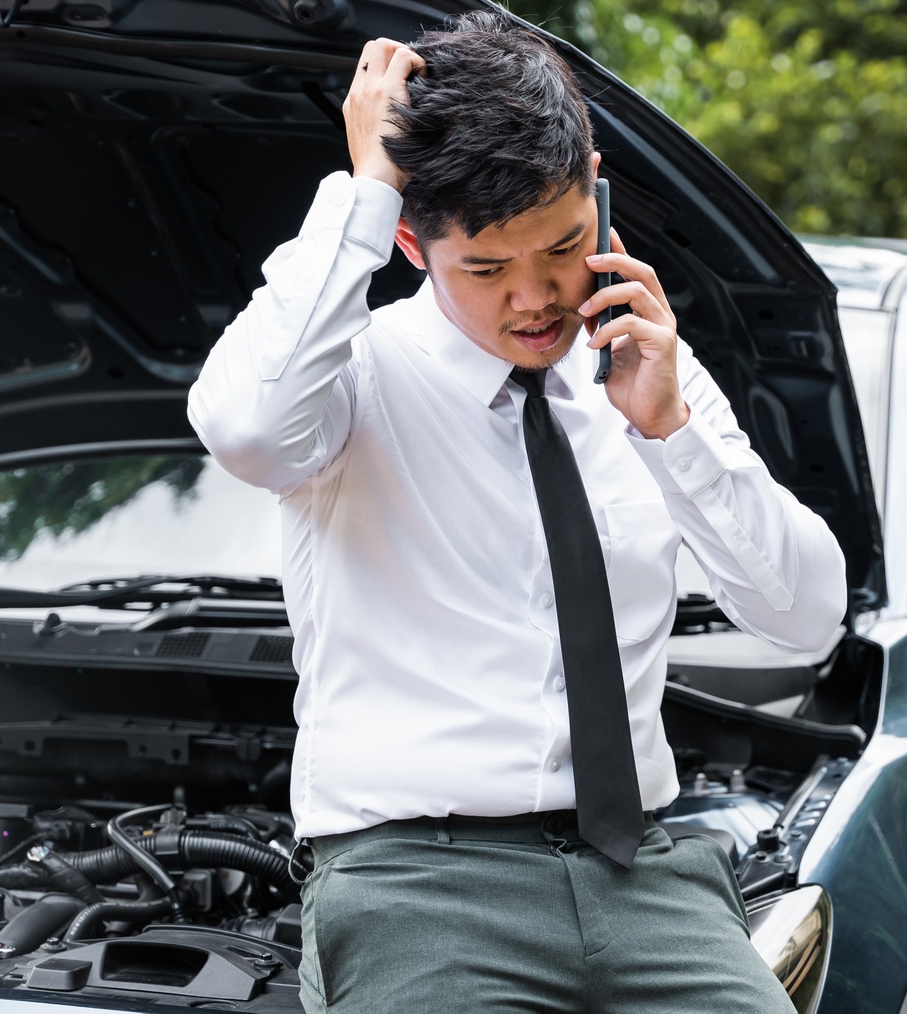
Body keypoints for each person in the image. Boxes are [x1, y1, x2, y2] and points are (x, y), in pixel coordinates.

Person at [187, 11, 846, 1012]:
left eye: (564, 246)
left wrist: (671, 434)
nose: (537, 300)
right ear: (410, 239)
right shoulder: (346, 381)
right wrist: (363, 187)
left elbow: (805, 616)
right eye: (487, 269)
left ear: (594, 180)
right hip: (419, 884)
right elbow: (239, 425)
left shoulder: (646, 365)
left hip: (648, 876)